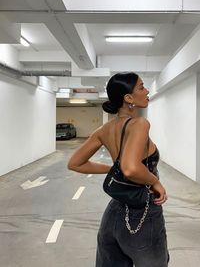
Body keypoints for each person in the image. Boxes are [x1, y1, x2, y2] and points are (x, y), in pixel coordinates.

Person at [68, 72, 169, 267]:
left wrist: (114, 170)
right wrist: (155, 182)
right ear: (128, 98)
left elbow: (75, 163)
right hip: (142, 213)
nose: (147, 91)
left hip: (113, 213)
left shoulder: (104, 129)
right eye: (141, 87)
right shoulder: (140, 124)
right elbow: (131, 168)